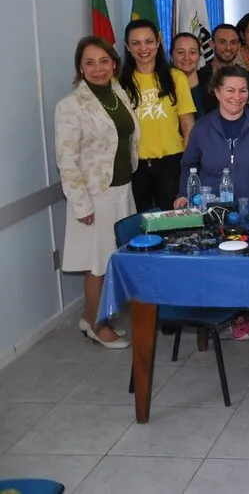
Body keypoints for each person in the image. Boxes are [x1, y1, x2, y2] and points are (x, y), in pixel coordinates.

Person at [56, 36, 138, 349]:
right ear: (80, 67)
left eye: (104, 61)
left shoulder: (118, 93)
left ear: (114, 64)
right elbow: (67, 161)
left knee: (115, 259)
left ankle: (90, 317)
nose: (98, 68)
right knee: (98, 265)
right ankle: (96, 324)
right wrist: (81, 206)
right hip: (95, 196)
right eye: (89, 63)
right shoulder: (70, 106)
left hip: (122, 190)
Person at [175, 65, 249, 209]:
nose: (237, 97)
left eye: (243, 91)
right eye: (230, 90)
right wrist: (184, 194)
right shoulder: (202, 127)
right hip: (211, 210)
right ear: (217, 92)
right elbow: (189, 166)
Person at [119, 21, 196, 212]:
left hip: (171, 163)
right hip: (135, 166)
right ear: (127, 47)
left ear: (158, 42)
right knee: (140, 221)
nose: (143, 48)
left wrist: (187, 162)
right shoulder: (119, 82)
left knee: (173, 219)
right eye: (135, 43)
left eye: (149, 41)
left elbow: (188, 125)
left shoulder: (176, 77)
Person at [196, 24, 249, 116]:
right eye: (222, 42)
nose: (228, 47)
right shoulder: (199, 78)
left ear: (239, 45)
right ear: (212, 44)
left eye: (233, 42)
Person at [170, 31, 205, 116]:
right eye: (180, 52)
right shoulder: (163, 86)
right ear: (171, 56)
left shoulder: (212, 83)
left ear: (199, 56)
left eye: (192, 52)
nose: (186, 58)